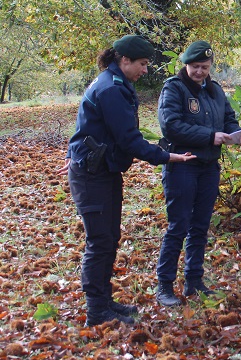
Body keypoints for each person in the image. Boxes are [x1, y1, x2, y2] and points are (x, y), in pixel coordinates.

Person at [56, 35, 196, 326]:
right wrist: (167, 157)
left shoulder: (112, 83)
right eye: (142, 64)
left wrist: (73, 150)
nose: (145, 70)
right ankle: (96, 311)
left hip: (102, 171)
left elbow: (85, 125)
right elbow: (129, 139)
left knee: (109, 238)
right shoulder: (109, 89)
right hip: (92, 175)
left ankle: (105, 301)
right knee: (100, 241)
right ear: (125, 60)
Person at [155, 41, 241, 307]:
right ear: (186, 64)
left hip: (209, 167)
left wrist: (237, 134)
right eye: (195, 66)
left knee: (200, 226)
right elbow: (171, 126)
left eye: (205, 67)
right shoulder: (173, 89)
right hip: (182, 166)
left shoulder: (215, 90)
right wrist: (211, 136)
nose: (200, 72)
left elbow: (228, 119)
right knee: (179, 226)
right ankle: (164, 285)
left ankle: (194, 281)